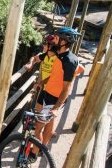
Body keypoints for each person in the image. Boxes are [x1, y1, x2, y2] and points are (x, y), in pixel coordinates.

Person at [30, 27, 83, 161]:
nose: (55, 39)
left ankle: (33, 154)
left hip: (54, 98)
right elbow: (55, 76)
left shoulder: (69, 61)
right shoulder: (59, 55)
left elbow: (67, 87)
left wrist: (56, 108)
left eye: (58, 37)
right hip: (47, 92)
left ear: (64, 41)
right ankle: (41, 148)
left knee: (37, 128)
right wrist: (42, 82)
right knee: (46, 125)